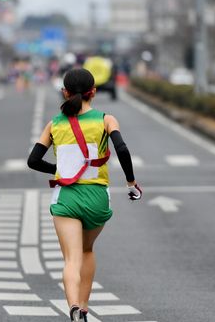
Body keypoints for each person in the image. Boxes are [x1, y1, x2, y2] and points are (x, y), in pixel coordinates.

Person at [27, 68, 142, 321]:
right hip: (97, 198)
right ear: (94, 92)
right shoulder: (105, 119)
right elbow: (122, 149)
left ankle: (74, 307)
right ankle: (86, 306)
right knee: (87, 251)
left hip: (66, 197)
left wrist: (58, 170)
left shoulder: (54, 124)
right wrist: (131, 182)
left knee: (71, 259)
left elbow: (33, 161)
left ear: (64, 93)